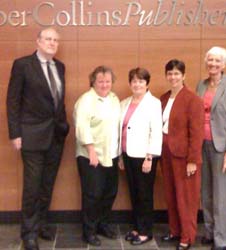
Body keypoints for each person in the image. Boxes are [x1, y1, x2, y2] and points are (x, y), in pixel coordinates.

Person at [6, 28, 69, 250]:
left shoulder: (60, 67)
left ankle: (41, 224)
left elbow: (57, 101)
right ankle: (29, 233)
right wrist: (15, 133)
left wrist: (64, 126)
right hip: (31, 136)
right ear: (38, 42)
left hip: (56, 135)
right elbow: (12, 101)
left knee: (47, 184)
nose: (52, 43)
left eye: (55, 40)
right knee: (32, 186)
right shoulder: (23, 65)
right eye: (48, 39)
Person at [196, 47, 226, 250]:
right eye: (210, 60)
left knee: (222, 195)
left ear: (223, 64)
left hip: (223, 148)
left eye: (217, 61)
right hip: (202, 144)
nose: (213, 64)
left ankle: (225, 240)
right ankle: (210, 232)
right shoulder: (201, 85)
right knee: (206, 192)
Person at [73, 66, 120, 246]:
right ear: (93, 82)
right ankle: (89, 231)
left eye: (108, 81)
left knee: (109, 193)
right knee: (93, 194)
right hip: (90, 155)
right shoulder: (86, 100)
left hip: (112, 154)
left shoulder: (114, 99)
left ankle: (103, 224)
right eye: (100, 81)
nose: (104, 84)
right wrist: (91, 150)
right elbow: (81, 127)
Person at [160, 59, 204, 250]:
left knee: (186, 198)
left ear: (184, 76)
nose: (173, 77)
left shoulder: (192, 99)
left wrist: (193, 160)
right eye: (170, 73)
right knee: (171, 194)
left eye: (177, 73)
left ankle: (187, 236)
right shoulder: (163, 98)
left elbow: (197, 133)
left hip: (184, 157)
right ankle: (175, 231)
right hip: (165, 153)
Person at [119, 67, 162, 245]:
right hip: (127, 154)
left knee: (144, 195)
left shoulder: (154, 103)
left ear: (147, 83)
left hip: (145, 156)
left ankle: (146, 231)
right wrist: (120, 156)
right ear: (130, 83)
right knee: (134, 193)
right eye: (134, 81)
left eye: (141, 81)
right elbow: (120, 130)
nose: (137, 84)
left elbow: (156, 132)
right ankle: (137, 227)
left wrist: (150, 157)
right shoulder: (124, 102)